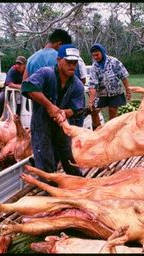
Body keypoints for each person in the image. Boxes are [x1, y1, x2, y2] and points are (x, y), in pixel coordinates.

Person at [21, 44, 85, 176]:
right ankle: (48, 186)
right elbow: (28, 87)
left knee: (70, 159)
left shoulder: (77, 85)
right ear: (58, 60)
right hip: (41, 125)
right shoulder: (46, 73)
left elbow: (76, 109)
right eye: (68, 62)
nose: (72, 66)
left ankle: (78, 183)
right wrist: (49, 106)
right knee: (45, 162)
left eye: (75, 62)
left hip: (62, 127)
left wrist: (63, 113)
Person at [87, 43, 131, 130]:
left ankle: (111, 131)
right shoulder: (94, 67)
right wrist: (91, 101)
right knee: (94, 111)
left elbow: (123, 76)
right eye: (93, 55)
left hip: (115, 92)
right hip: (101, 93)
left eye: (97, 54)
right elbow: (92, 85)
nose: (95, 57)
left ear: (102, 52)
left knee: (112, 110)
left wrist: (128, 90)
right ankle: (98, 131)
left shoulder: (114, 62)